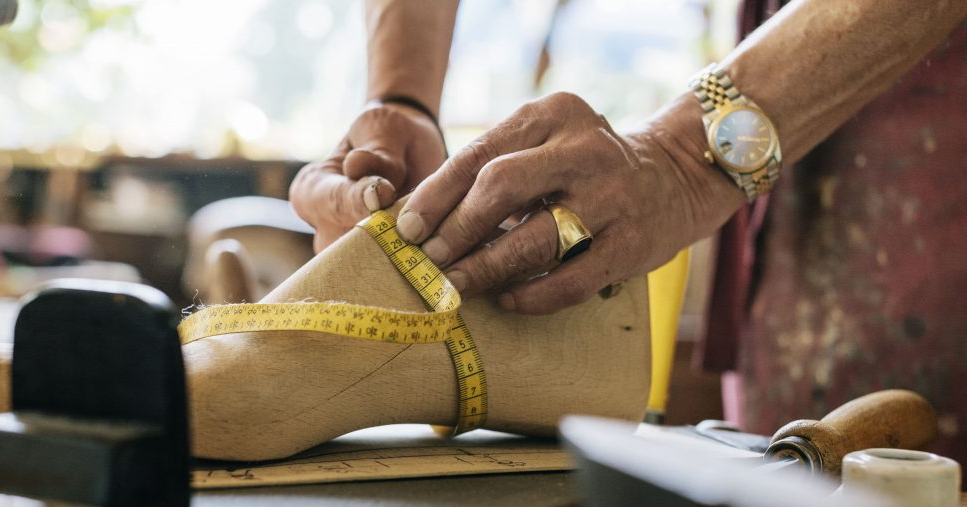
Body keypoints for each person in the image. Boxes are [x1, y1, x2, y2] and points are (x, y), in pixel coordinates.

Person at [290, 0, 967, 467]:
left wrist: (679, 160)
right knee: (794, 485)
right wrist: (401, 95)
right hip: (787, 135)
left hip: (932, 124)